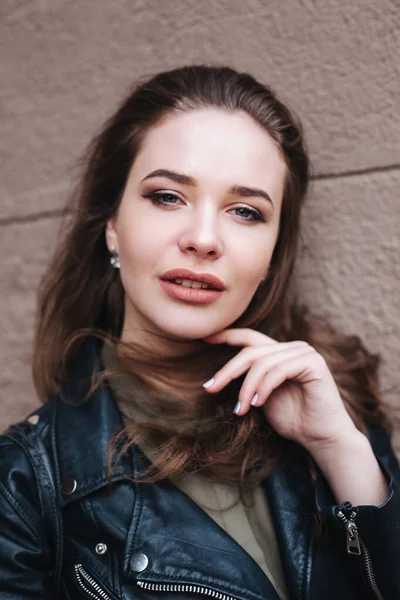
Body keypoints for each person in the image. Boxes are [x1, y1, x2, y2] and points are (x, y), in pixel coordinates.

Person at [0, 64, 399, 600]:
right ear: (112, 225)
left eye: (245, 211)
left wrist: (340, 451)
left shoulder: (336, 405)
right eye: (167, 197)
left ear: (273, 256)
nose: (204, 238)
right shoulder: (25, 482)